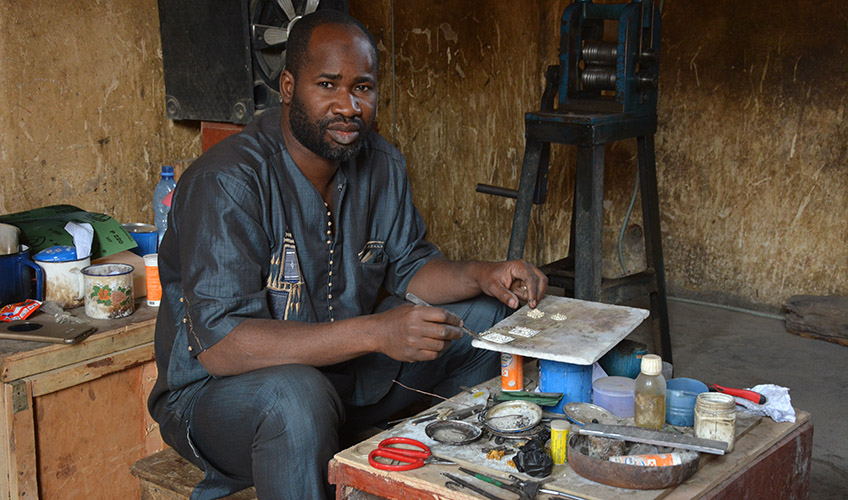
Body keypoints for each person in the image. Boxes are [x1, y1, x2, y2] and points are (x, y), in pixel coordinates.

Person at [148, 9, 547, 500]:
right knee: (295, 398)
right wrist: (378, 332)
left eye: (362, 88)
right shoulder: (229, 181)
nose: (348, 106)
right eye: (328, 85)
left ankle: (421, 474)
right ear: (289, 87)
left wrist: (485, 274)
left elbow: (411, 266)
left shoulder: (381, 163)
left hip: (347, 382)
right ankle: (308, 451)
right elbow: (224, 343)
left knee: (484, 322)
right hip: (220, 400)